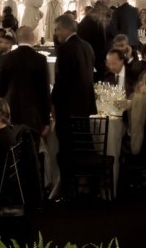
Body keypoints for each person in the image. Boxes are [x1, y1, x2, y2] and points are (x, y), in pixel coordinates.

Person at [52, 14, 97, 175]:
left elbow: (61, 81)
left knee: (67, 149)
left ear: (65, 28)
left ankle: (69, 187)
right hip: (85, 105)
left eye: (57, 29)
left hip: (68, 108)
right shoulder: (87, 46)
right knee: (84, 145)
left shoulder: (65, 49)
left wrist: (53, 103)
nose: (55, 33)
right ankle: (86, 184)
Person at [0, 26, 52, 137]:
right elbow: (44, 92)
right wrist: (46, 121)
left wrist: (0, 114)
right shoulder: (40, 59)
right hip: (34, 113)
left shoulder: (8, 58)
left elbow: (0, 89)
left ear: (17, 39)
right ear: (33, 38)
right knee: (32, 147)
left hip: (12, 110)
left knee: (14, 146)